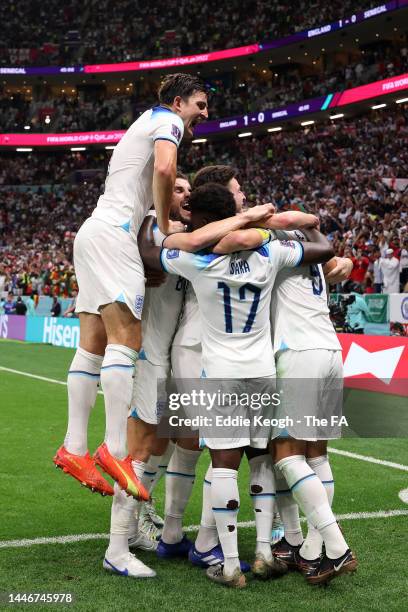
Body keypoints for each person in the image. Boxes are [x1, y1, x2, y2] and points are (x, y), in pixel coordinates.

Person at [143, 183, 334, 588]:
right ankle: (264, 550)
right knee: (262, 459)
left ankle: (230, 565)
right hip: (262, 370)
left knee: (223, 465)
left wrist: (150, 219)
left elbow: (150, 252)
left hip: (221, 373)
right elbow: (321, 250)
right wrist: (282, 226)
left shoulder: (199, 264)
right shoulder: (270, 255)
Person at [53, 74, 209, 502]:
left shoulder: (141, 123)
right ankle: (116, 449)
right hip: (115, 234)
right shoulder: (168, 122)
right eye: (199, 103)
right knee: (129, 339)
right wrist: (162, 224)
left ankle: (74, 447)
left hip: (92, 231)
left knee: (93, 344)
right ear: (178, 102)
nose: (204, 113)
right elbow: (164, 166)